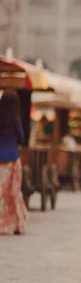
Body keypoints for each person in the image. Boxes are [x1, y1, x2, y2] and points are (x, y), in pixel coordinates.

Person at [0, 90, 28, 235]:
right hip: (13, 159)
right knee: (14, 192)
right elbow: (21, 137)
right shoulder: (15, 120)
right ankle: (17, 225)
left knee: (1, 194)